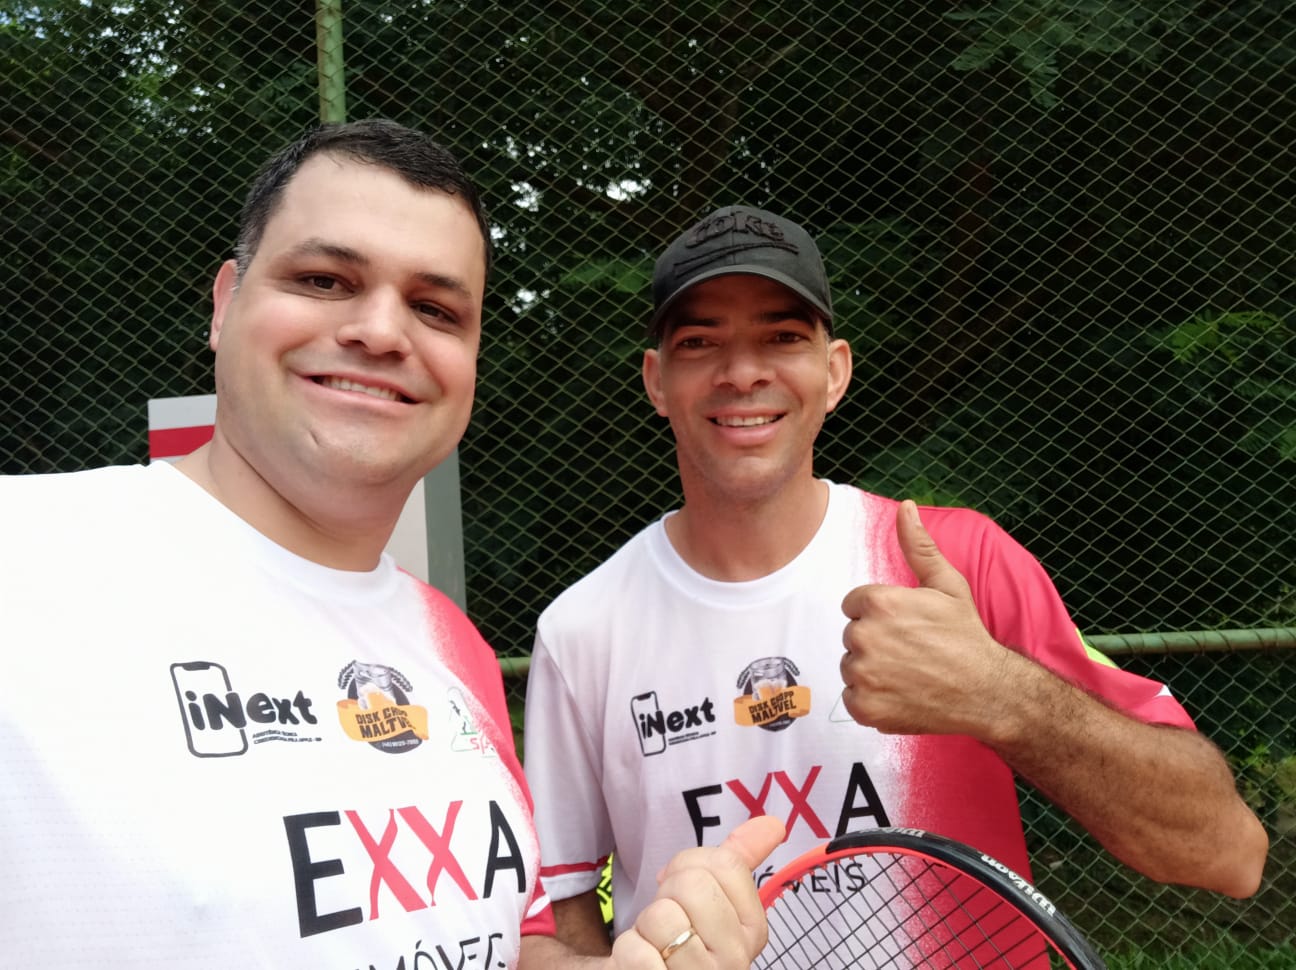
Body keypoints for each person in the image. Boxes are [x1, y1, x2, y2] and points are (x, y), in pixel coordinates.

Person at [0, 122, 783, 970]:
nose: (380, 331)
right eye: (324, 279)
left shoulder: (451, 646)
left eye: (435, 309)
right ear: (226, 304)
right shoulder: (30, 558)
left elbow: (508, 944)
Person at [522, 203, 1269, 949]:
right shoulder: (582, 629)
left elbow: (1227, 852)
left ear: (834, 372)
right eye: (699, 342)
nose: (743, 372)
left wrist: (1000, 694)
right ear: (656, 381)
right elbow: (560, 918)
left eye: (783, 337)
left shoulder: (957, 562)